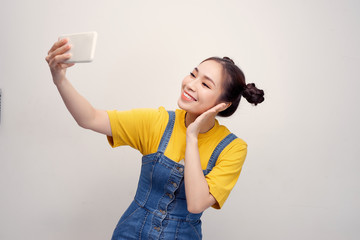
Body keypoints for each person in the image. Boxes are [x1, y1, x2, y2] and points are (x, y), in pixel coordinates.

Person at [45, 38, 265, 240]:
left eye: (206, 84)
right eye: (193, 74)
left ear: (223, 104)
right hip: (129, 233)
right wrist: (60, 79)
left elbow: (197, 203)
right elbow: (90, 118)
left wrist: (191, 136)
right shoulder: (158, 122)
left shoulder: (233, 148)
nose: (190, 84)